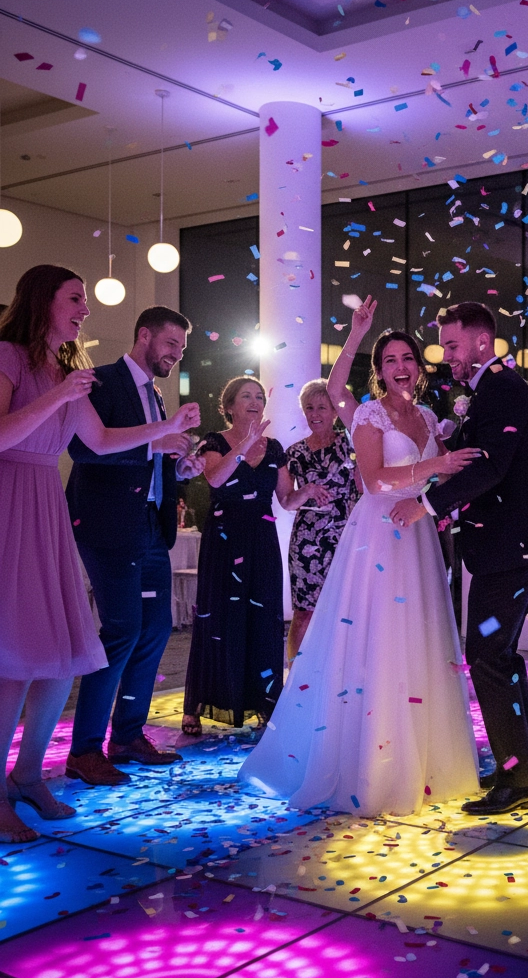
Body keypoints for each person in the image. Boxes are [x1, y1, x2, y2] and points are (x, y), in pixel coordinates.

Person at [239, 326, 481, 816]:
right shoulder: (369, 414)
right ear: (380, 371)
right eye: (389, 360)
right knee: (378, 636)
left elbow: (441, 476)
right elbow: (373, 480)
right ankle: (373, 763)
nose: (399, 366)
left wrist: (442, 478)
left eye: (407, 357)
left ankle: (424, 761)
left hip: (418, 534)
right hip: (379, 533)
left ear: (418, 365)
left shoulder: (428, 417)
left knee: (419, 638)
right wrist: (356, 336)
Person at [0, 265, 198, 841]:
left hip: (47, 508)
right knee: (15, 657)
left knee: (64, 654)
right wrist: (58, 396)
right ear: (43, 300)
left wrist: (165, 430)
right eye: (75, 298)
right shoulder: (9, 356)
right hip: (12, 499)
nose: (85, 309)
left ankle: (28, 774)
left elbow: (101, 439)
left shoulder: (69, 368)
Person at [390, 302, 528, 816]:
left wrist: (425, 506)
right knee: (500, 657)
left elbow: (489, 469)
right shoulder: (487, 390)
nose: (445, 356)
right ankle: (522, 770)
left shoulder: (501, 388)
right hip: (507, 544)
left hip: (513, 545)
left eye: (452, 345)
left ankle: (519, 780)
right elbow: (474, 461)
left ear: (482, 342)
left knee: (488, 656)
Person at [64, 305, 205, 787]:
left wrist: (178, 468)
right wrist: (156, 444)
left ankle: (126, 736)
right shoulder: (101, 381)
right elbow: (85, 448)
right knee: (122, 630)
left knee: (156, 629)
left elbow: (152, 458)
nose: (176, 354)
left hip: (150, 526)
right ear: (144, 335)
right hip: (107, 525)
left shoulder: (156, 395)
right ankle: (84, 749)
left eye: (181, 348)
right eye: (170, 344)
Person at [180, 376, 307, 734]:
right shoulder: (215, 441)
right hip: (224, 539)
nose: (254, 402)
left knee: (263, 619)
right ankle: (198, 705)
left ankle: (263, 702)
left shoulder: (275, 447)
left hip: (262, 540)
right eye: (246, 396)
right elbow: (215, 479)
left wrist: (309, 491)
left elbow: (286, 499)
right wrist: (246, 443)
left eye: (259, 397)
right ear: (230, 406)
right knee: (218, 618)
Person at [283, 299, 375, 661]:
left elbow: (366, 485)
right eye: (310, 407)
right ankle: (295, 677)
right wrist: (306, 491)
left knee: (344, 612)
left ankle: (339, 672)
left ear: (335, 411)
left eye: (322, 407)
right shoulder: (293, 452)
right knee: (304, 614)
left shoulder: (352, 443)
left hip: (345, 535)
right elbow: (286, 503)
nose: (315, 413)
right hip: (306, 538)